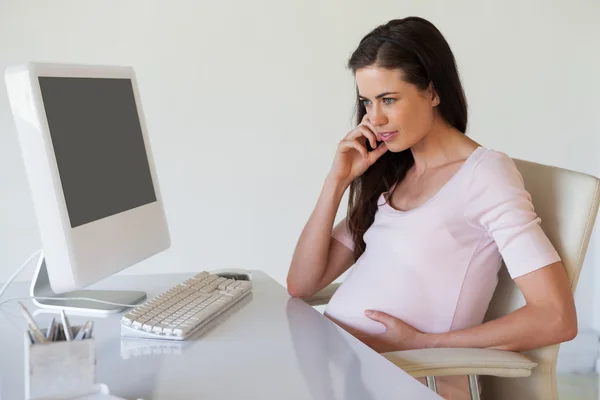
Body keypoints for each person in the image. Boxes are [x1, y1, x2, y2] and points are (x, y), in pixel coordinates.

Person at [286, 16, 577, 399]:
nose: (374, 119)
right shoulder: (393, 173)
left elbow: (556, 316)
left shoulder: (484, 175)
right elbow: (302, 283)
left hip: (406, 381)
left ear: (433, 92)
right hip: (342, 372)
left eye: (389, 99)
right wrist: (336, 181)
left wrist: (429, 342)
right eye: (367, 102)